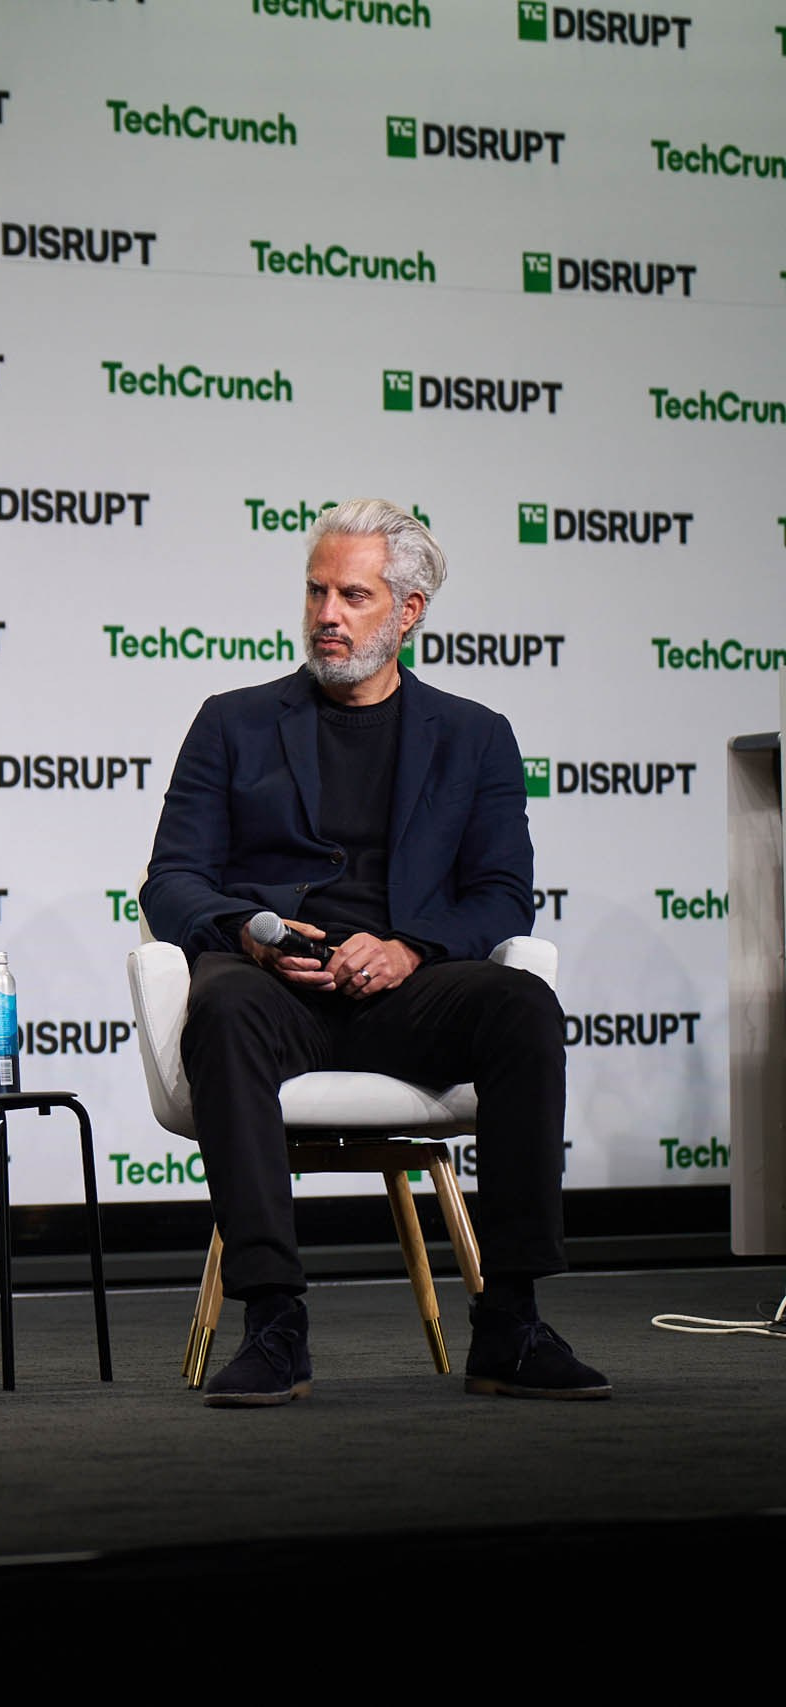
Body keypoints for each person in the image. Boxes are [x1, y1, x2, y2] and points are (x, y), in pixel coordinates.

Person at [141, 499, 609, 1406]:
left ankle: (511, 1319)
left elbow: (503, 897)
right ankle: (274, 1318)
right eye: (317, 590)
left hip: (408, 992)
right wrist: (250, 932)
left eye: (354, 595)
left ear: (409, 610)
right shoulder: (232, 723)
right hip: (280, 987)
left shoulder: (474, 736)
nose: (328, 613)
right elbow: (172, 883)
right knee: (225, 1005)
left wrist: (408, 949)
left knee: (522, 1007)